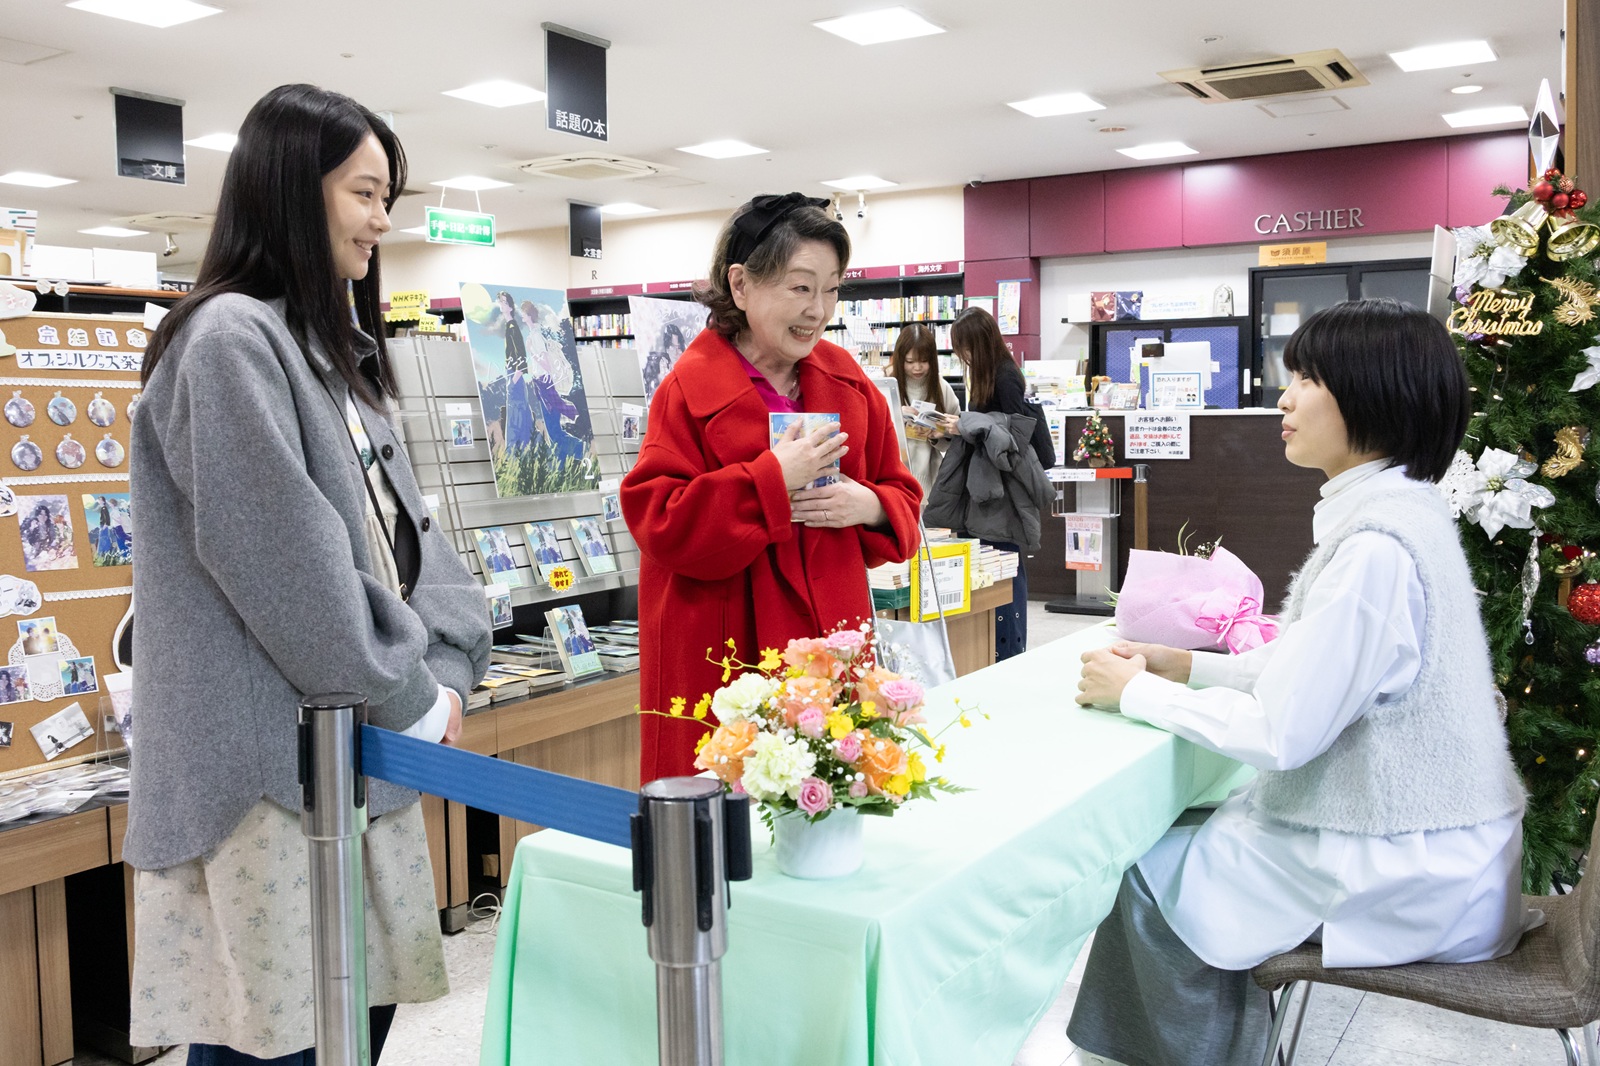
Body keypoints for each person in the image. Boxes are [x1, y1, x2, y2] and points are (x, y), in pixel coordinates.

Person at [125, 84, 492, 1065]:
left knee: (346, 1028)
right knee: (272, 1043)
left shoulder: (330, 350)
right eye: (365, 193)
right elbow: (287, 568)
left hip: (348, 758)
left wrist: (445, 676)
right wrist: (410, 694)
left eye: (389, 198)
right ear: (294, 187)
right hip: (266, 778)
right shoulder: (228, 341)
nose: (382, 220)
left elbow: (416, 543)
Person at [1067, 299, 1528, 1066]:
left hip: (1405, 862)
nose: (1284, 398)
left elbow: (1284, 733)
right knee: (1187, 841)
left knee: (1147, 875)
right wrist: (1187, 666)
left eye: (1308, 378)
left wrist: (1136, 693)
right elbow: (1324, 678)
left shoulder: (1375, 548)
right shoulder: (1402, 514)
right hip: (1436, 842)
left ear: (1376, 395)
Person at [620, 192, 923, 782]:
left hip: (827, 636)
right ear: (740, 285)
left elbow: (903, 496)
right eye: (800, 287)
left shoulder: (848, 382)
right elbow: (660, 521)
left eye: (832, 288)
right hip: (723, 639)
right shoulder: (686, 390)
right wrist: (770, 481)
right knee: (726, 821)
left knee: (827, 798)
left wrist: (871, 505)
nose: (819, 310)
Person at [937, 306, 1054, 659]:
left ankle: (1010, 647)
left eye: (966, 348)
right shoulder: (986, 373)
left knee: (1004, 565)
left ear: (981, 343)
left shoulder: (1004, 376)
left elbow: (1014, 432)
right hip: (988, 483)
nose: (963, 356)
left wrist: (966, 424)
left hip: (1005, 487)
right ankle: (994, 647)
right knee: (990, 565)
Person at [889, 323, 961, 500]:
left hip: (931, 479)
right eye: (910, 362)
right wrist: (894, 415)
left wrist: (940, 433)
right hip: (893, 478)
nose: (917, 368)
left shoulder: (941, 387)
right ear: (900, 359)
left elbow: (957, 435)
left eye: (924, 361)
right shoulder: (887, 384)